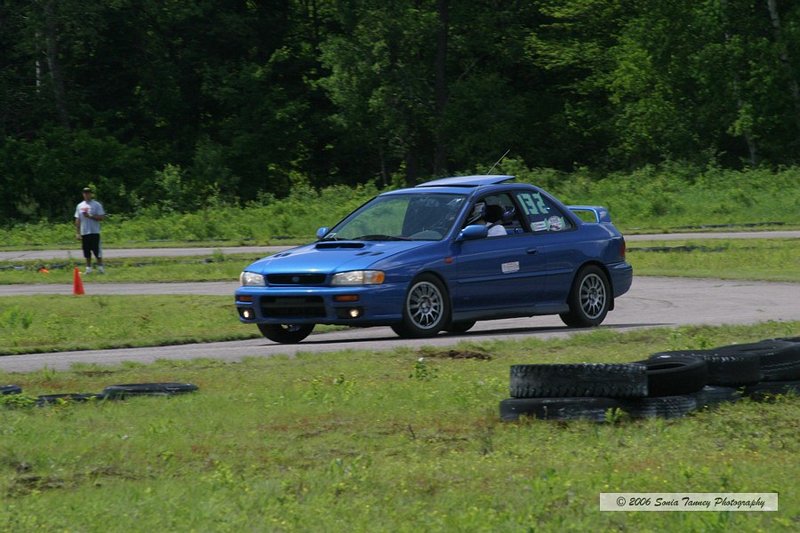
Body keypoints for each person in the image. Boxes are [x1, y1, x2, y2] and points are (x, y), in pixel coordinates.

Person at [74, 186, 106, 273]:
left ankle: (100, 268)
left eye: (88, 193)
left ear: (91, 194)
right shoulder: (79, 206)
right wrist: (78, 232)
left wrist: (90, 216)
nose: (86, 195)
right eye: (85, 193)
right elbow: (78, 219)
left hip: (94, 231)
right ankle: (88, 269)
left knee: (97, 250)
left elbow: (102, 217)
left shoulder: (96, 205)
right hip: (84, 232)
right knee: (86, 251)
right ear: (83, 194)